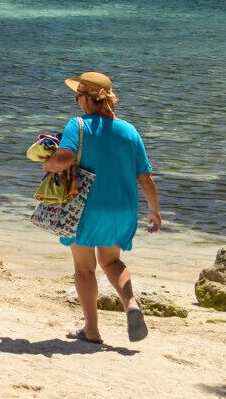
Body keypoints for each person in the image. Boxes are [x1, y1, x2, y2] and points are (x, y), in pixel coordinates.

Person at [45, 71, 162, 345]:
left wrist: (48, 163)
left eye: (79, 96)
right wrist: (154, 210)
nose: (77, 102)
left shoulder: (78, 125)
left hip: (85, 207)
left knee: (84, 269)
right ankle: (131, 304)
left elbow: (64, 157)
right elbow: (145, 177)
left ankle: (92, 330)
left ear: (88, 100)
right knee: (111, 261)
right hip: (122, 208)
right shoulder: (130, 130)